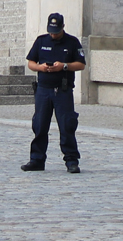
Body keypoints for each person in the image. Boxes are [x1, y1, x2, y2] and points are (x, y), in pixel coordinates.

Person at [20, 13, 86, 174]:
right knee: (40, 125)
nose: (53, 34)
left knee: (67, 126)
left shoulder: (72, 42)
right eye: (51, 31)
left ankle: (71, 160)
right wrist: (40, 67)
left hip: (62, 90)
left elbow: (81, 64)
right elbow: (30, 63)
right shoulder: (41, 41)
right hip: (43, 89)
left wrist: (63, 66)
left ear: (63, 27)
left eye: (56, 31)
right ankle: (37, 160)